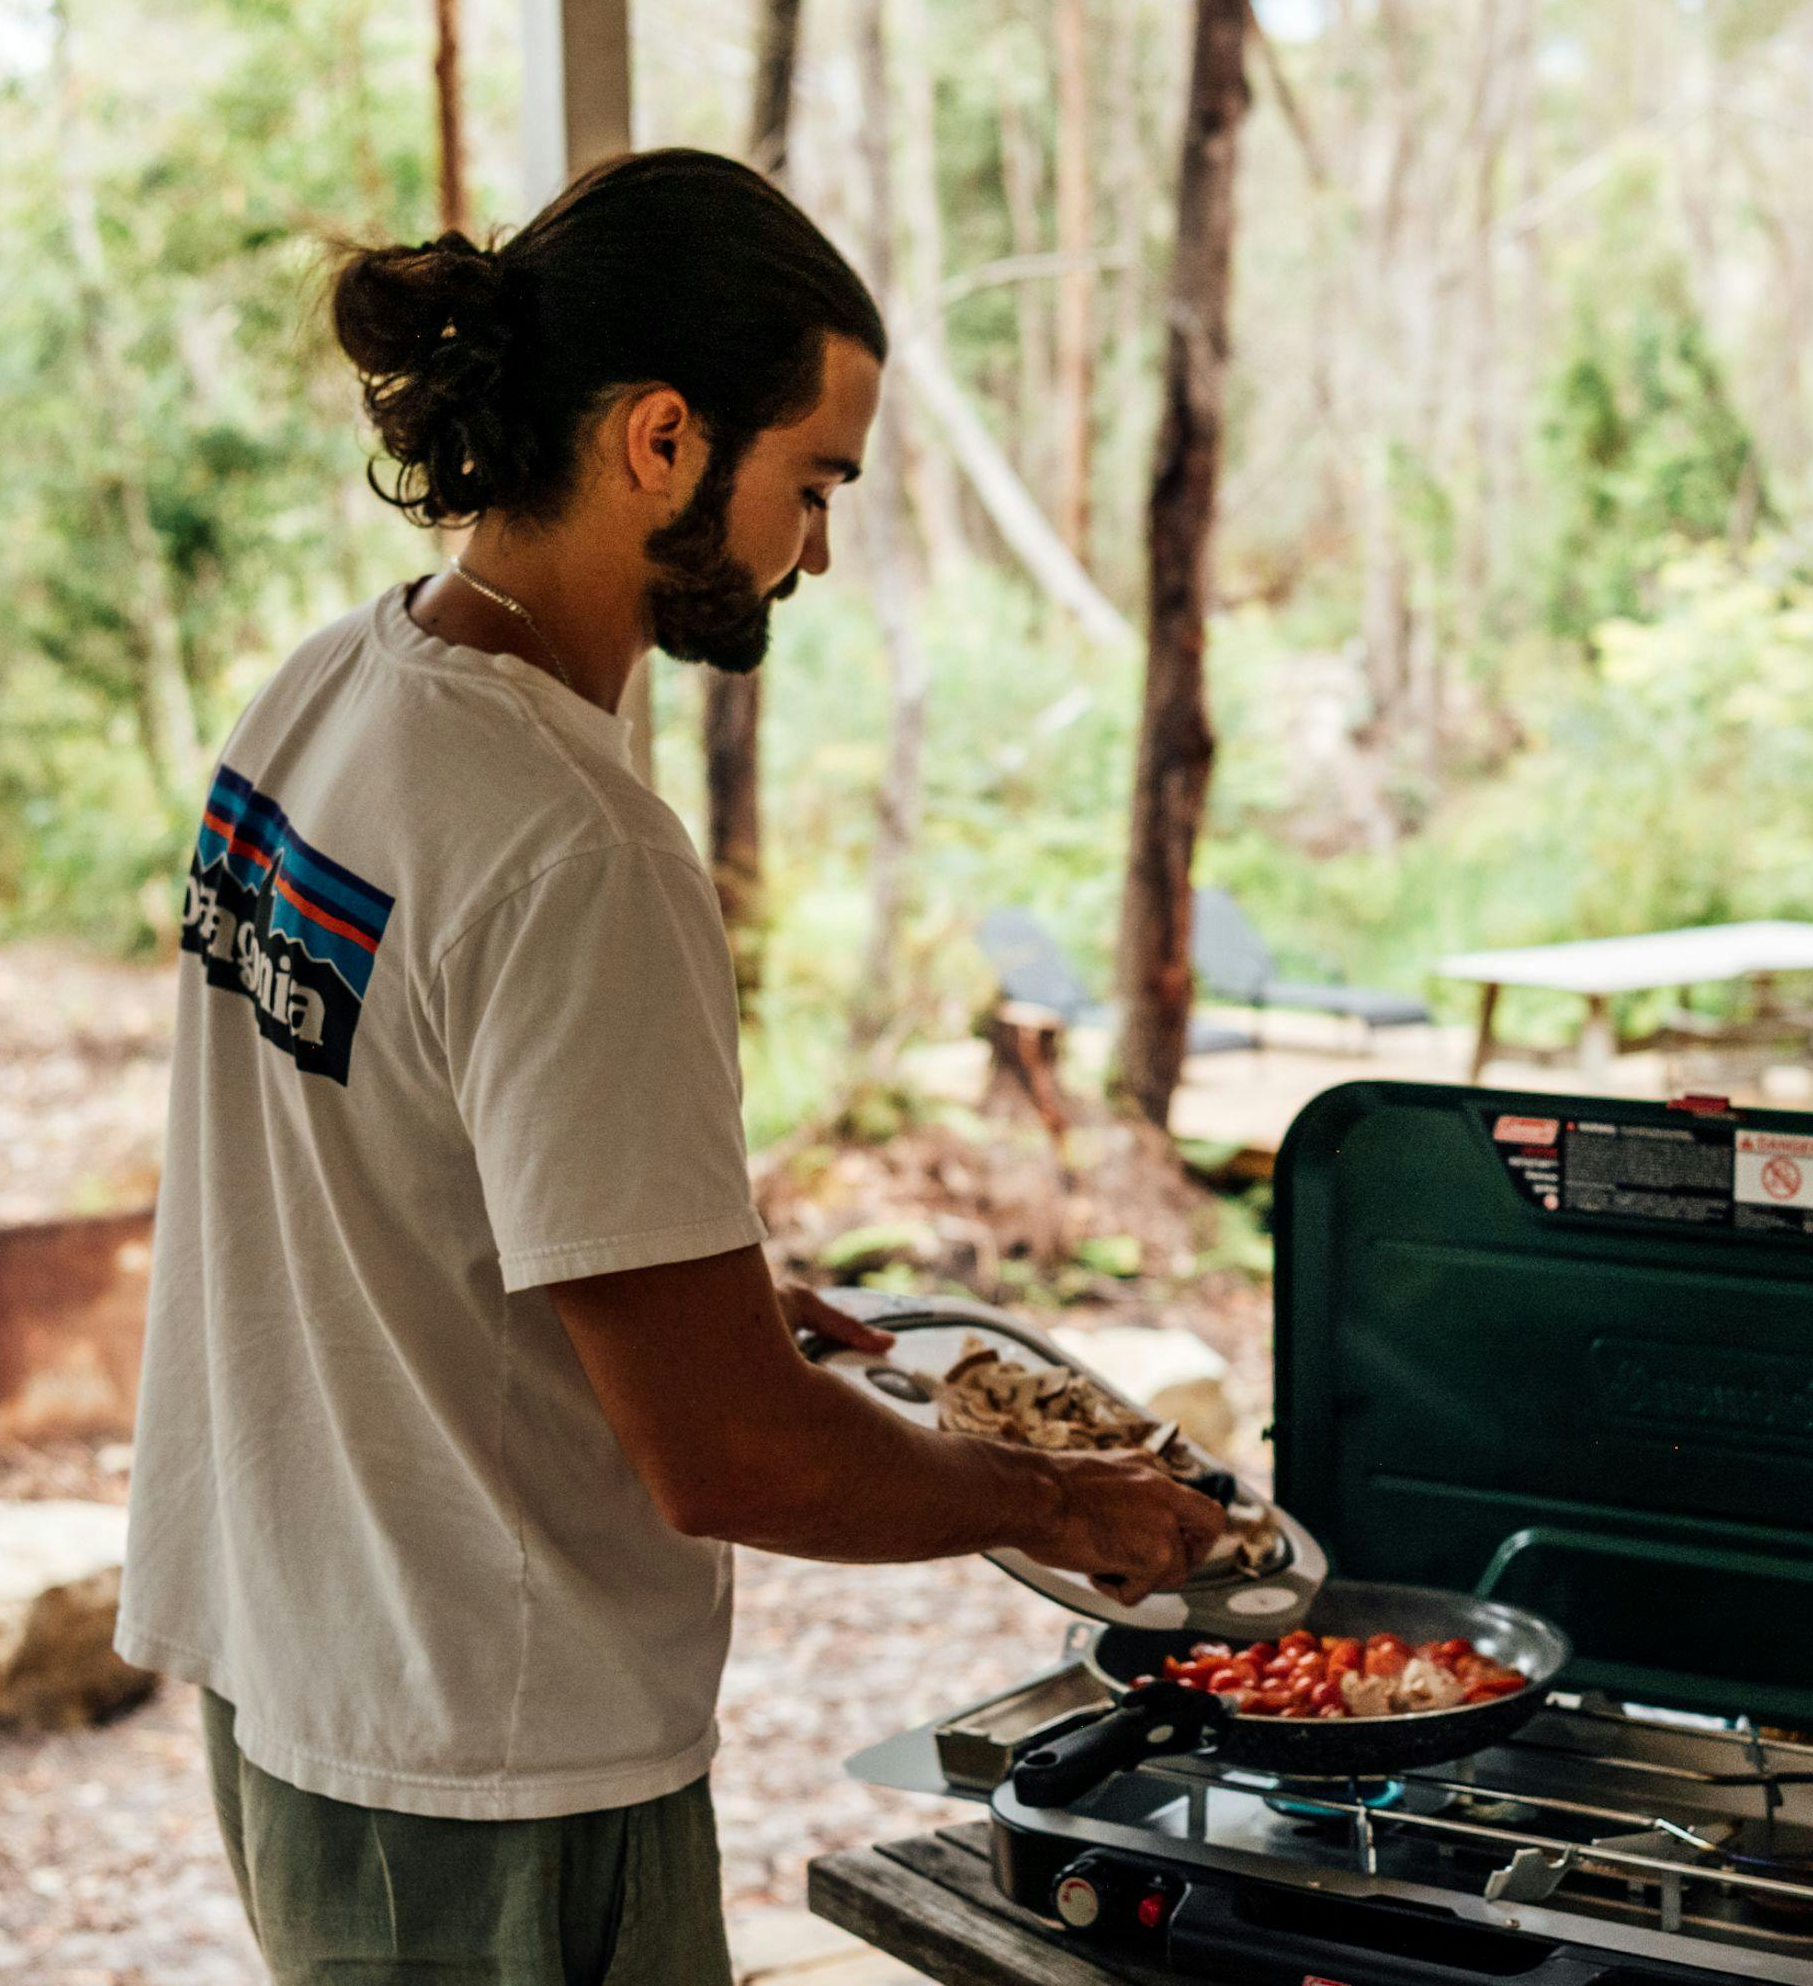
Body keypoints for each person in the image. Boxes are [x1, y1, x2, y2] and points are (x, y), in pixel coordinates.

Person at [115, 149, 1223, 1986]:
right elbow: (722, 1457)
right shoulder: (582, 848)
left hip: (294, 1668)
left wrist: (699, 1286)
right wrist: (1054, 1502)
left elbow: (386, 1164)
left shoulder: (330, 691)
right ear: (659, 441)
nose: (815, 547)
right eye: (813, 482)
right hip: (495, 1752)